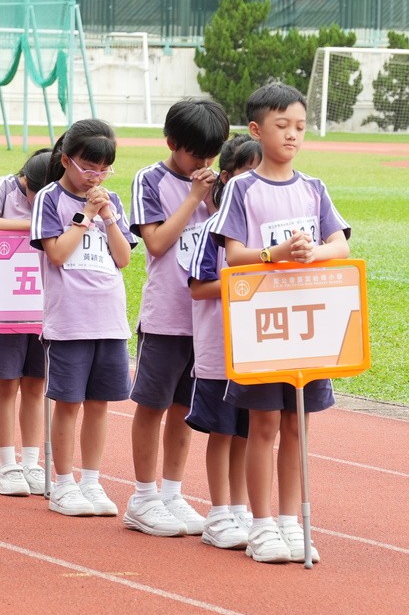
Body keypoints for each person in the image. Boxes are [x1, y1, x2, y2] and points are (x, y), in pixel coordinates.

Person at [213, 83, 349, 564]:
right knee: (264, 423)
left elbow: (341, 245)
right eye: (282, 125)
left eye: (300, 127)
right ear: (256, 130)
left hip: (306, 323)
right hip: (262, 323)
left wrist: (316, 252)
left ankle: (291, 522)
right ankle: (262, 524)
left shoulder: (314, 188)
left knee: (296, 424)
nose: (292, 135)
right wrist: (275, 254)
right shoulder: (242, 189)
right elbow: (233, 256)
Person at [124, 97, 229, 539]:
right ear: (171, 143)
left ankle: (171, 492)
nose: (203, 164)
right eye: (195, 155)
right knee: (153, 405)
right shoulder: (150, 180)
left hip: (205, 319)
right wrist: (193, 198)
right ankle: (143, 496)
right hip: (166, 316)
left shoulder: (221, 184)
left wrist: (214, 198)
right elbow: (156, 243)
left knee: (185, 409)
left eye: (211, 155)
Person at [31, 119, 135, 520]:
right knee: (69, 402)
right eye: (89, 168)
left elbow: (123, 258)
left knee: (99, 404)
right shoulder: (50, 198)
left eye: (104, 169)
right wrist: (85, 215)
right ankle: (63, 482)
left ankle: (91, 480)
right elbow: (57, 254)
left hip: (109, 317)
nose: (96, 177)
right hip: (70, 320)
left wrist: (108, 217)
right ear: (66, 160)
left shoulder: (113, 201)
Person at [183, 133, 262, 552]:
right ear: (227, 177)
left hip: (257, 347)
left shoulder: (264, 234)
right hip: (218, 349)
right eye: (250, 172)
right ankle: (218, 513)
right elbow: (198, 288)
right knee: (222, 430)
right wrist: (247, 282)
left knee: (247, 432)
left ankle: (241, 508)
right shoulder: (212, 229)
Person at [0, 148, 54, 497]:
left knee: (36, 385)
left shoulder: (59, 194)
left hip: (42, 303)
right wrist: (33, 227)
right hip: (6, 302)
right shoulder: (7, 187)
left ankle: (32, 463)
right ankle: (7, 464)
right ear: (25, 181)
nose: (40, 202)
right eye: (36, 194)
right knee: (7, 383)